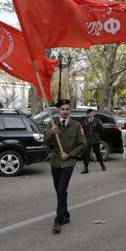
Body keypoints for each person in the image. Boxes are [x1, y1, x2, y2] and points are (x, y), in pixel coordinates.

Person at [45, 99, 86, 233]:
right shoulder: (53, 124)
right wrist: (51, 132)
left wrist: (69, 155)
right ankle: (66, 215)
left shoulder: (76, 125)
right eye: (63, 109)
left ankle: (58, 220)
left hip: (68, 162)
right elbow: (45, 141)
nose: (65, 111)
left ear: (70, 110)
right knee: (59, 191)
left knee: (62, 189)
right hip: (55, 161)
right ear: (59, 111)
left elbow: (82, 144)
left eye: (67, 109)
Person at [81, 109, 106, 174]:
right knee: (86, 154)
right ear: (87, 114)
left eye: (92, 113)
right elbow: (83, 130)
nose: (91, 114)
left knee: (97, 153)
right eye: (90, 113)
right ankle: (85, 168)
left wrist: (98, 136)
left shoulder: (97, 120)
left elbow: (101, 130)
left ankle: (102, 164)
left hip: (95, 139)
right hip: (88, 140)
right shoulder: (85, 121)